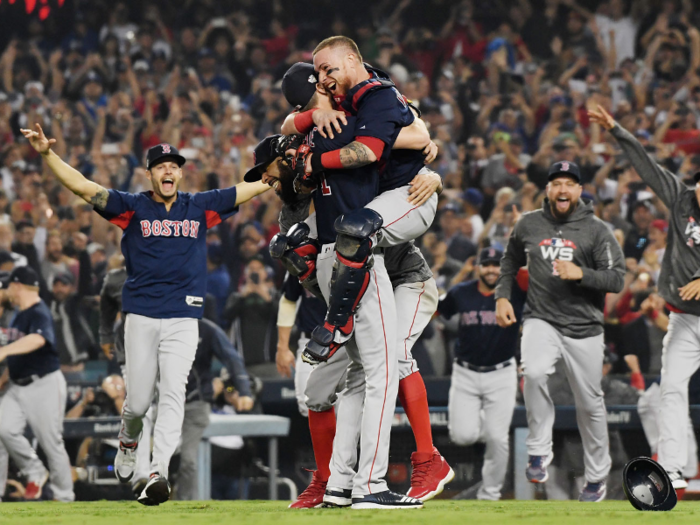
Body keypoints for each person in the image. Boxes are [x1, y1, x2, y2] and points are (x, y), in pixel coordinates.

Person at [20, 123, 270, 505]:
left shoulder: (199, 206)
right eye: (161, 166)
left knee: (173, 394)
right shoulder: (133, 207)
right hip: (140, 315)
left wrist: (281, 171)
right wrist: (47, 154)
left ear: (180, 173)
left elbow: (248, 189)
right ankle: (128, 442)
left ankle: (157, 472)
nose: (168, 171)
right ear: (150, 174)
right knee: (137, 403)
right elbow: (84, 187)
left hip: (185, 317)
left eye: (174, 165)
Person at [495, 160, 625, 502]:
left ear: (580, 191)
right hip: (541, 318)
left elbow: (616, 279)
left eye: (570, 184)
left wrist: (581, 274)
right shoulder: (528, 224)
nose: (563, 190)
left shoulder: (597, 230)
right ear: (548, 190)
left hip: (585, 327)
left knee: (590, 403)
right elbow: (508, 262)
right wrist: (502, 298)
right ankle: (539, 450)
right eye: (557, 184)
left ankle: (596, 478)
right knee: (534, 373)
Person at [589, 105, 700, 490]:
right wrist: (617, 129)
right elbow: (647, 165)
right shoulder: (683, 200)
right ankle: (671, 468)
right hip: (685, 318)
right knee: (671, 387)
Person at [439, 248, 526, 500]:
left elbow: (530, 276)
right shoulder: (462, 292)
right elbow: (438, 310)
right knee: (462, 435)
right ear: (478, 267)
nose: (491, 269)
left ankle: (490, 494)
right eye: (486, 264)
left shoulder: (515, 292)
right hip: (465, 372)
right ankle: (485, 425)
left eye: (496, 265)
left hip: (501, 373)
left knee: (498, 438)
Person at [0, 266, 74, 502]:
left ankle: (64, 497)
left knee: (51, 442)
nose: (8, 290)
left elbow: (39, 339)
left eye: (10, 285)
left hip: (44, 385)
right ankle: (34, 470)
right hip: (17, 385)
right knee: (3, 429)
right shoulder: (20, 314)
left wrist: (3, 351)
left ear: (18, 285)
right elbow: (19, 353)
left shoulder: (39, 311)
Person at [176, 317, 253, 500]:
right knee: (154, 461)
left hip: (196, 402)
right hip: (162, 402)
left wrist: (244, 390)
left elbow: (232, 358)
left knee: (188, 461)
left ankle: (184, 509)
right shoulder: (160, 323)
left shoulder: (206, 329)